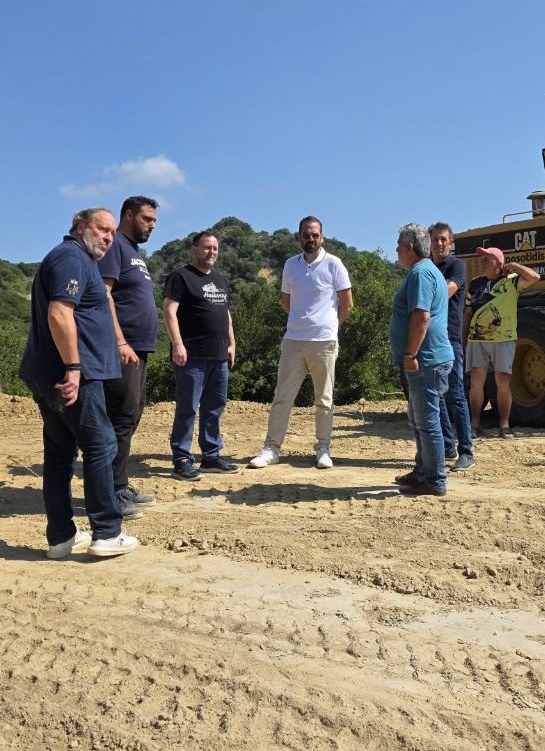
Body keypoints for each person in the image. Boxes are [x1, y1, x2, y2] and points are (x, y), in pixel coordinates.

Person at [18, 208, 138, 559]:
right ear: (81, 226)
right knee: (101, 445)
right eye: (102, 229)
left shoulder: (74, 259)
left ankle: (62, 537)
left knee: (60, 453)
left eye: (112, 232)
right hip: (73, 376)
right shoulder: (71, 258)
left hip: (52, 372)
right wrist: (73, 367)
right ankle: (107, 532)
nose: (108, 237)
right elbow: (59, 314)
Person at [248, 216, 354, 470]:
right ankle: (271, 449)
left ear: (322, 237)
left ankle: (323, 448)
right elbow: (287, 300)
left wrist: (331, 327)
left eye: (315, 235)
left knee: (324, 399)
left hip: (324, 341)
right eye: (306, 234)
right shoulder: (290, 265)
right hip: (293, 340)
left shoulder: (334, 264)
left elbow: (347, 303)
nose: (311, 239)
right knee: (282, 397)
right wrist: (300, 321)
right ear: (299, 237)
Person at [99, 196, 160, 520]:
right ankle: (111, 492)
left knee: (132, 415)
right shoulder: (116, 246)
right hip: (122, 348)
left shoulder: (134, 252)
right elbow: (104, 293)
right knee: (121, 418)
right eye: (147, 219)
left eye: (154, 221)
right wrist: (120, 341)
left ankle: (119, 483)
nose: (152, 225)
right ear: (128, 215)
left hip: (139, 348)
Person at [163, 231, 236, 481]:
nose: (211, 252)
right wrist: (177, 345)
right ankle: (181, 459)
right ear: (194, 249)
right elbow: (169, 311)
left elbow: (226, 314)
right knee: (188, 408)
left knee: (214, 407)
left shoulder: (220, 280)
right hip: (191, 356)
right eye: (206, 247)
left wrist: (232, 343)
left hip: (219, 355)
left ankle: (211, 456)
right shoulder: (181, 277)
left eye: (215, 248)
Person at [390, 224, 454, 497]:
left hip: (425, 360)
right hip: (427, 358)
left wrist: (410, 354)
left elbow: (421, 316)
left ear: (409, 247)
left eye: (399, 244)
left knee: (427, 421)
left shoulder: (420, 273)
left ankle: (435, 480)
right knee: (419, 419)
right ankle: (422, 472)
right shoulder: (426, 270)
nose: (396, 249)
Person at [464, 246, 541, 439]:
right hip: (477, 339)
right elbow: (468, 313)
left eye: (487, 259)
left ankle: (504, 426)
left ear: (499, 263)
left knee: (503, 382)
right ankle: (475, 424)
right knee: (476, 382)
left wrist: (514, 265)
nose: (482, 262)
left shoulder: (512, 281)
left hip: (503, 338)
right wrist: (463, 339)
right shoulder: (475, 284)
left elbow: (535, 277)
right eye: (481, 258)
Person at [428, 223, 475, 473]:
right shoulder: (427, 266)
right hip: (430, 339)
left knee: (456, 395)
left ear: (450, 242)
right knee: (436, 395)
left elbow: (443, 294)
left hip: (451, 338)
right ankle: (448, 445)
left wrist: (422, 292)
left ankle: (466, 451)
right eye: (435, 239)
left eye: (443, 239)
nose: (439, 244)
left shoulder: (457, 266)